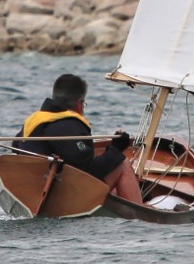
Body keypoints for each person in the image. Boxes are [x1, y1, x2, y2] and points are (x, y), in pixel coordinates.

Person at [17, 73, 143, 205]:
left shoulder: (33, 121)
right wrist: (116, 149)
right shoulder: (70, 126)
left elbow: (17, 144)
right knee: (122, 164)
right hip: (62, 198)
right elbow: (88, 171)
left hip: (32, 188)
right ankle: (141, 215)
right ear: (79, 104)